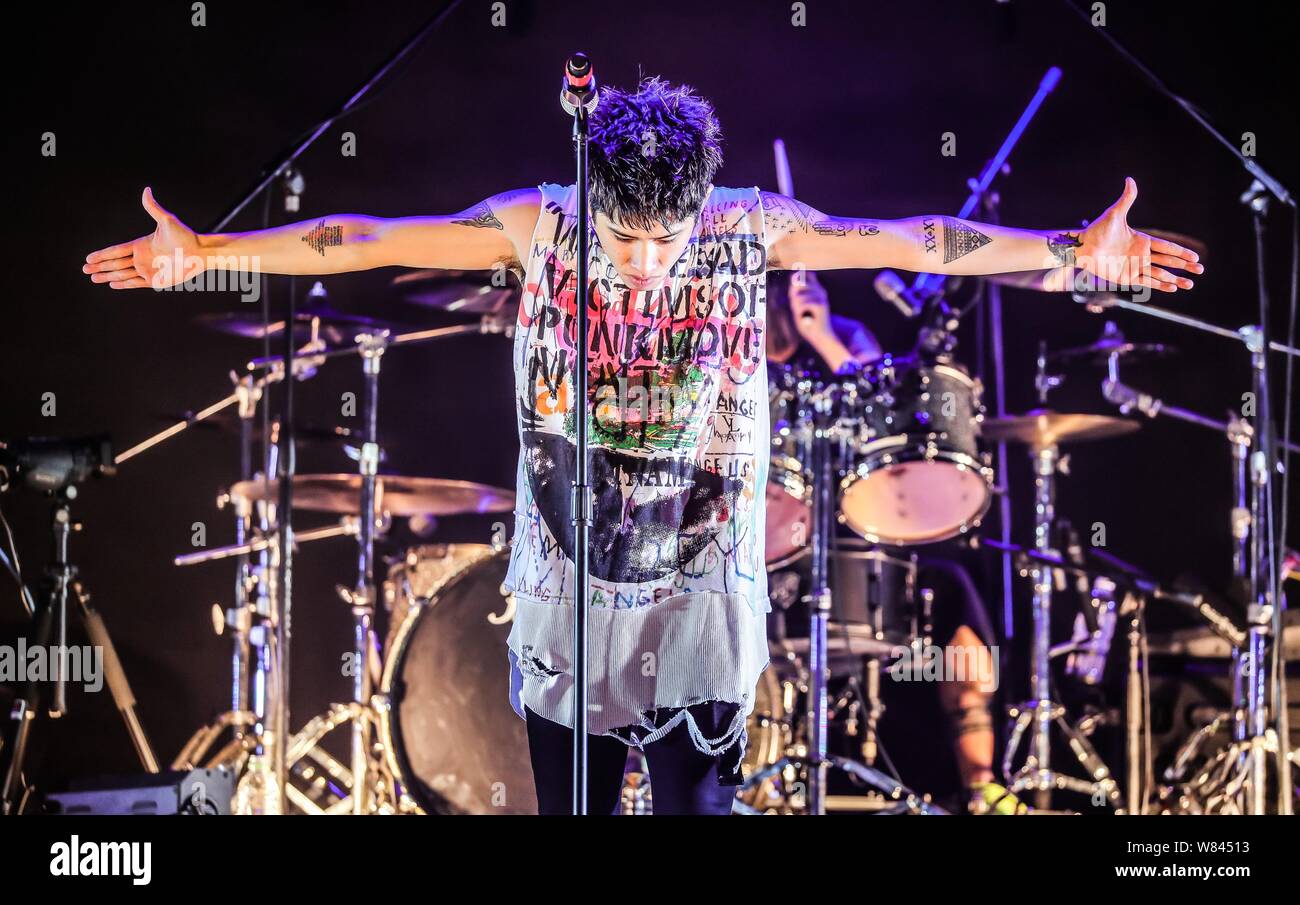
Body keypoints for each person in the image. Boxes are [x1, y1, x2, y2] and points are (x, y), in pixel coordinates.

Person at [82, 76, 1203, 815]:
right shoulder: (539, 220)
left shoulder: (752, 223)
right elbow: (363, 240)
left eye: (666, 237)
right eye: (624, 235)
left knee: (694, 805)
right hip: (571, 580)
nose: (643, 261)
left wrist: (1065, 250)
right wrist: (209, 251)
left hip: (705, 588)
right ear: (591, 196)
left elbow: (923, 238)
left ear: (702, 203)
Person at [765, 269, 1006, 813]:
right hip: (765, 537)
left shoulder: (845, 333)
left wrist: (822, 335)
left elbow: (885, 410)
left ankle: (983, 787)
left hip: (858, 530)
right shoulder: (733, 336)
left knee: (954, 595)